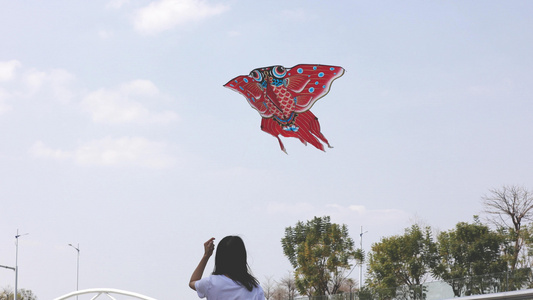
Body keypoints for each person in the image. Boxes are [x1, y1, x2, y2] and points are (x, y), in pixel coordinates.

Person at [189, 236, 265, 299]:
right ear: (242, 257)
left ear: (220, 258)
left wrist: (206, 255)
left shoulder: (211, 283)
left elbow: (193, 281)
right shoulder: (256, 289)